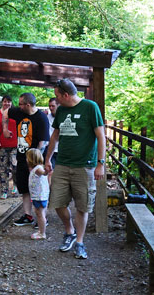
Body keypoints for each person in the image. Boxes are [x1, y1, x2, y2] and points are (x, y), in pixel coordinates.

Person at [44, 78, 106, 259]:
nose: (55, 100)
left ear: (65, 95)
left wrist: (100, 164)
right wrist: (47, 159)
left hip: (84, 165)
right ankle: (69, 231)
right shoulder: (61, 110)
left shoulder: (90, 107)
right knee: (57, 202)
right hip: (62, 163)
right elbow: (55, 136)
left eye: (57, 96)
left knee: (83, 206)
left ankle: (79, 242)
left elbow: (100, 136)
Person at [2, 93, 49, 226]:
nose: (18, 106)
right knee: (24, 188)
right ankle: (28, 216)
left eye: (21, 104)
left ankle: (43, 218)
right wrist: (5, 129)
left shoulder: (41, 118)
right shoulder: (19, 112)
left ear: (28, 104)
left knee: (39, 190)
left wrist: (35, 163)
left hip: (35, 161)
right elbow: (5, 112)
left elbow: (43, 142)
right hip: (22, 157)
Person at [0, 95, 18, 199]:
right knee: (3, 169)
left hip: (15, 145)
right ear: (2, 102)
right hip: (2, 145)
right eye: (5, 101)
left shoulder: (15, 113)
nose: (7, 103)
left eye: (9, 101)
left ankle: (15, 184)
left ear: (11, 103)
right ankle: (4, 191)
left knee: (15, 166)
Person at [26, 148, 49, 240]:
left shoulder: (38, 169)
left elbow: (44, 173)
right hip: (38, 195)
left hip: (39, 196)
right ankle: (40, 231)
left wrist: (47, 171)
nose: (26, 160)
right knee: (39, 213)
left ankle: (42, 233)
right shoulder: (36, 168)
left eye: (27, 158)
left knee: (40, 214)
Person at [43, 97, 59, 179]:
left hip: (61, 150)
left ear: (58, 105)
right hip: (50, 149)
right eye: (50, 106)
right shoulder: (46, 117)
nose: (51, 108)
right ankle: (50, 191)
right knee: (50, 172)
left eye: (53, 106)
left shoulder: (63, 117)